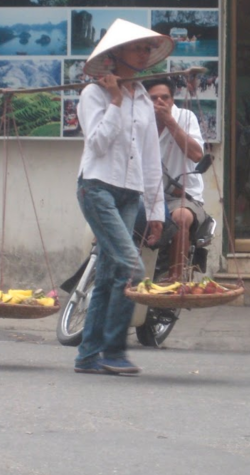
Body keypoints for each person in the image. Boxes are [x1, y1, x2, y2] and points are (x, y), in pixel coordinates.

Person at [73, 19, 174, 375]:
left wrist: (157, 211)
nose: (145, 54)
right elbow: (97, 144)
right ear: (115, 56)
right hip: (97, 188)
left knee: (109, 274)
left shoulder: (145, 99)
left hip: (130, 195)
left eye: (148, 48)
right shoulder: (93, 95)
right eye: (138, 48)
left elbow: (150, 160)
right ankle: (114, 351)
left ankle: (88, 355)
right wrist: (115, 100)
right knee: (131, 269)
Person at [143, 78, 206, 281]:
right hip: (146, 194)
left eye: (165, 97)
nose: (160, 102)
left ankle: (176, 278)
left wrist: (169, 121)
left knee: (180, 217)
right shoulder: (140, 121)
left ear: (172, 100)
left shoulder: (185, 117)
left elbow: (197, 155)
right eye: (153, 98)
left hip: (181, 195)